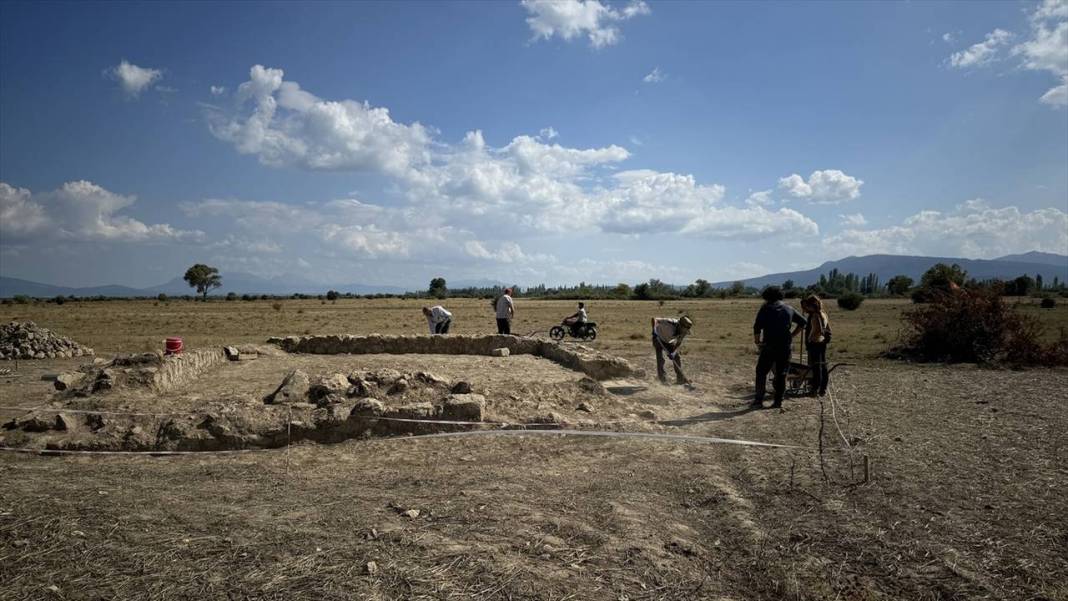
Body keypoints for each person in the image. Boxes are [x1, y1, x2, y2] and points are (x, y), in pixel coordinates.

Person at [752, 286, 807, 409]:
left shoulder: (765, 308)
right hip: (785, 346)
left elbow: (757, 327)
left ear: (767, 296)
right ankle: (778, 402)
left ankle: (758, 400)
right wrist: (792, 335)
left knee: (761, 372)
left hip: (769, 346)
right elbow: (803, 322)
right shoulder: (789, 308)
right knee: (782, 374)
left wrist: (757, 342)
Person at [800, 295, 832, 396]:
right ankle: (823, 389)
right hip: (822, 343)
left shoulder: (815, 315)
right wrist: (826, 340)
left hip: (815, 343)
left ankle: (814, 389)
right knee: (823, 366)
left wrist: (810, 338)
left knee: (816, 367)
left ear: (811, 305)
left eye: (807, 306)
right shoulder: (823, 314)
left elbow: (817, 330)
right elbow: (828, 330)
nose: (806, 308)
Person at [651, 315, 693, 385]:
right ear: (680, 325)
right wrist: (654, 331)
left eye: (686, 329)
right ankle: (662, 379)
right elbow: (654, 319)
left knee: (676, 357)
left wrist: (673, 353)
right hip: (658, 338)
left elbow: (679, 342)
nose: (685, 331)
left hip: (668, 341)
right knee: (660, 359)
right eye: (684, 328)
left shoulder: (684, 331)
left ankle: (680, 379)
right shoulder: (670, 322)